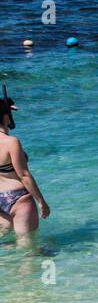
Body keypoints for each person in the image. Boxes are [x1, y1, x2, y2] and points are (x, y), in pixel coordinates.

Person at [0, 91, 51, 240]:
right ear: (6, 116)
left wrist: (5, 106)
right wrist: (41, 202)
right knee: (28, 250)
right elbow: (24, 175)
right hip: (17, 198)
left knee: (7, 253)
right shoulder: (11, 142)